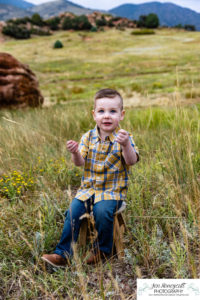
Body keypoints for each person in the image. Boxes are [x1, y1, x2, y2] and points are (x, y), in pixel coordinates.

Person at [41, 88, 139, 267]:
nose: (106, 116)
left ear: (122, 115)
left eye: (112, 111)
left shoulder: (124, 137)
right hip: (88, 190)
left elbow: (131, 161)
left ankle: (103, 250)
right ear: (94, 115)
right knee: (73, 210)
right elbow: (79, 162)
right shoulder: (88, 137)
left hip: (112, 192)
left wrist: (125, 145)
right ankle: (63, 254)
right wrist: (75, 152)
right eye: (101, 111)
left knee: (102, 211)